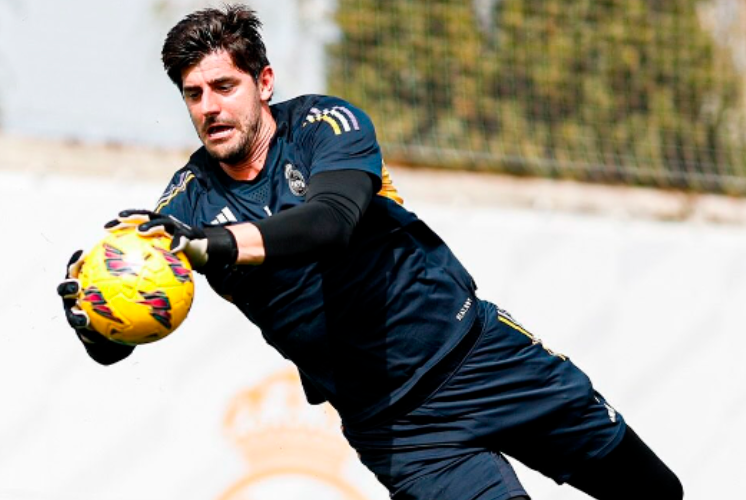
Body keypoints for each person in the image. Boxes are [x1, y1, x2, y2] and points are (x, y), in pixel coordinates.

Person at [55, 5, 681, 500]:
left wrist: (215, 245)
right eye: (194, 94)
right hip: (402, 430)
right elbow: (122, 336)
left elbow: (330, 222)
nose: (210, 107)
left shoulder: (326, 125)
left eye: (224, 86)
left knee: (655, 491)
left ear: (264, 82)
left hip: (482, 356)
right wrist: (93, 321)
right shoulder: (185, 206)